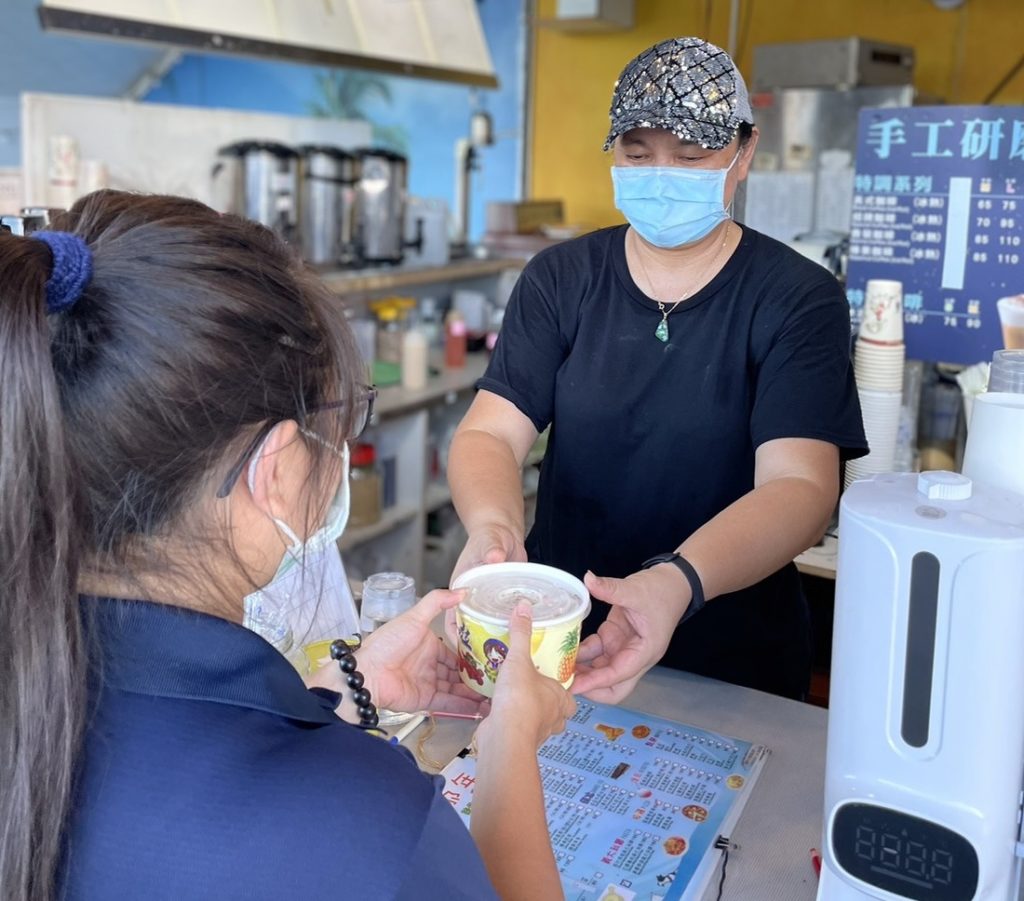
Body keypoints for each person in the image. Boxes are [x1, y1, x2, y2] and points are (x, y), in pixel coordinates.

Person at [0, 191, 574, 901]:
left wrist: (345, 690)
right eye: (345, 419)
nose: (343, 449)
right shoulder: (366, 826)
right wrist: (511, 743)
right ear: (273, 469)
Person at [448, 37, 867, 703]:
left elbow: (800, 488)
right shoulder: (561, 278)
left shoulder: (796, 298)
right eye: (638, 155)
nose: (662, 174)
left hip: (730, 653)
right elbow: (490, 434)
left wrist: (678, 581)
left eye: (691, 157)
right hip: (563, 635)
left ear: (744, 154)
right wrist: (493, 526)